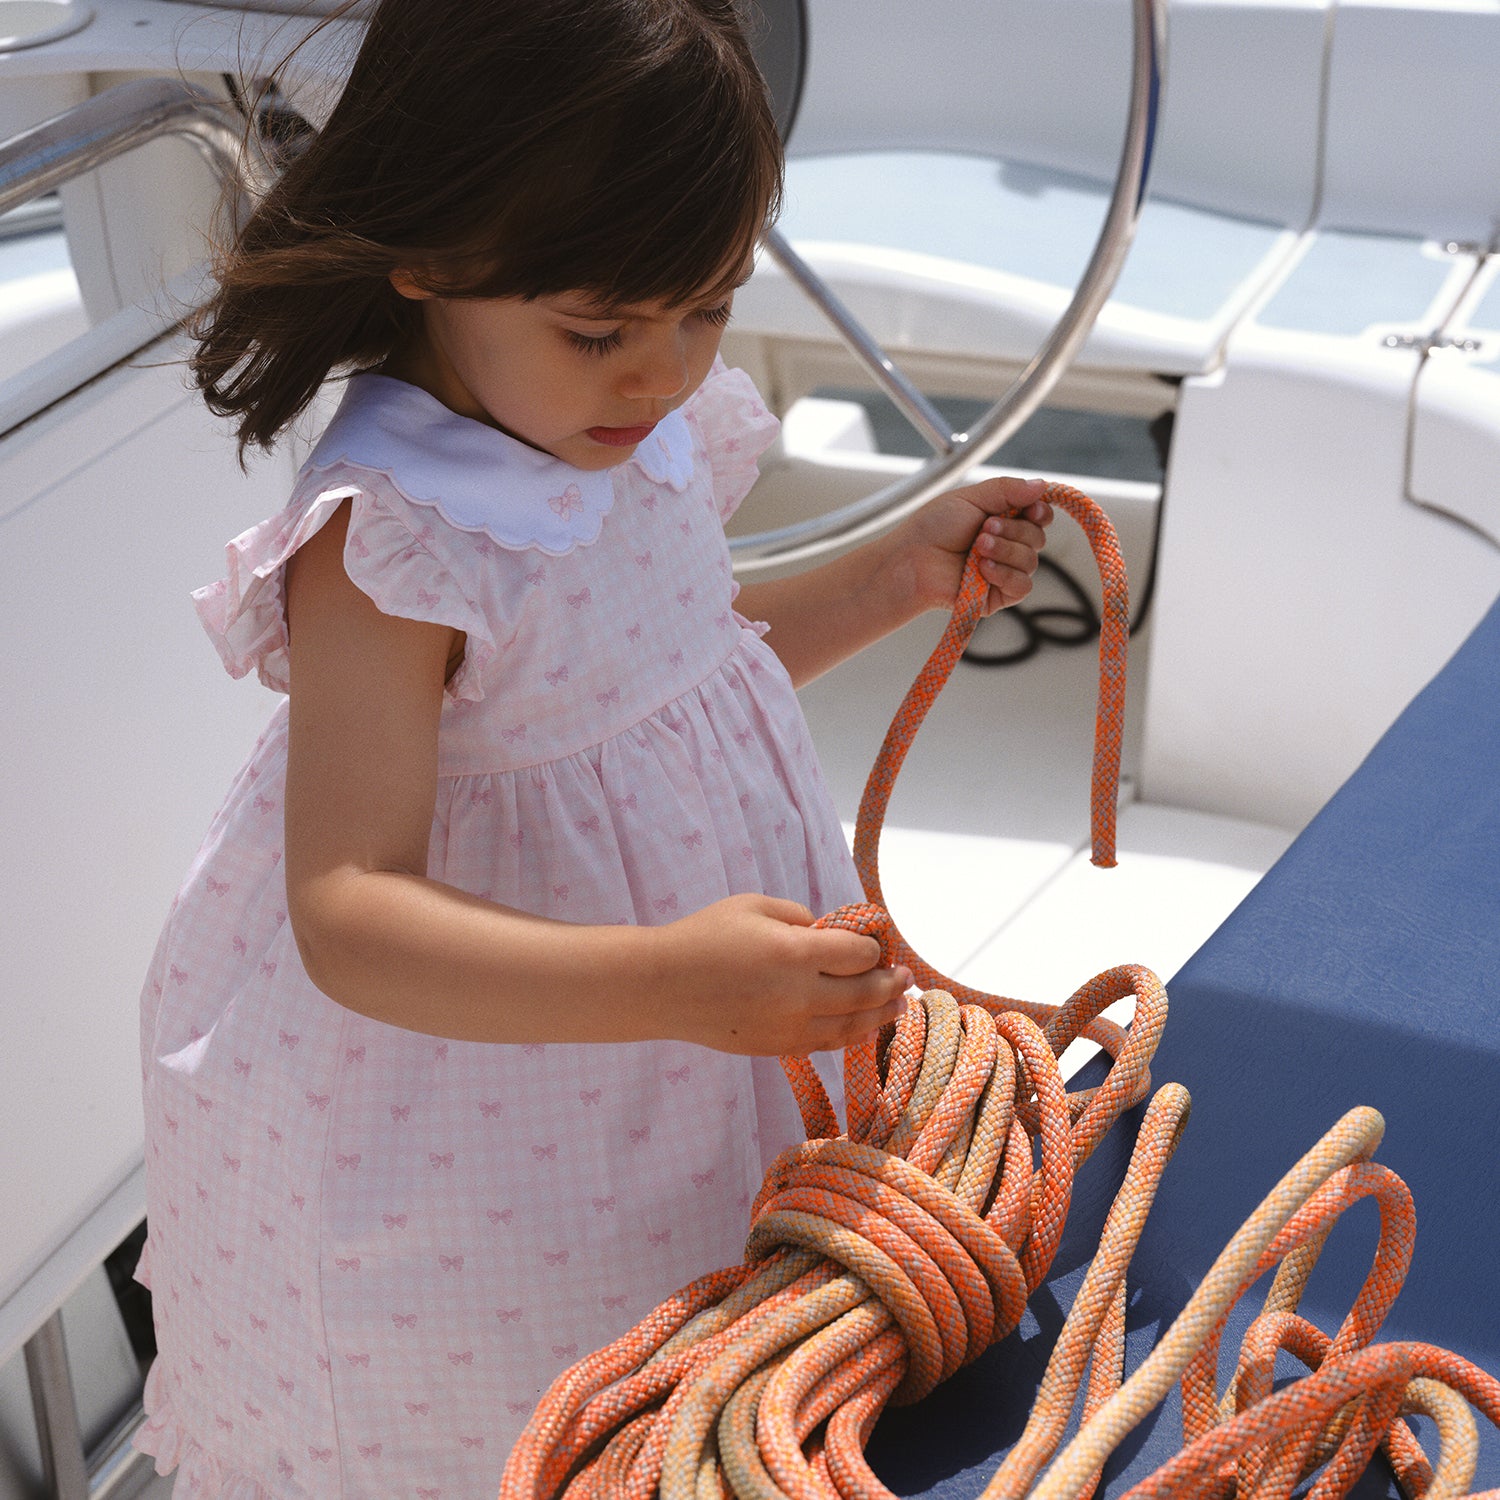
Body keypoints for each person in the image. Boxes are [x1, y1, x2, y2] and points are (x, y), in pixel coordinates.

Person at [133, 0, 1053, 1492]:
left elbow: (671, 672)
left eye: (708, 311)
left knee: (709, 1383)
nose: (663, 373)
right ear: (429, 251)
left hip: (693, 1043)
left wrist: (895, 578)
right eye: (601, 331)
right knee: (545, 1419)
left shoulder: (604, 419)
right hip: (488, 1123)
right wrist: (671, 982)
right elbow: (348, 912)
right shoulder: (389, 538)